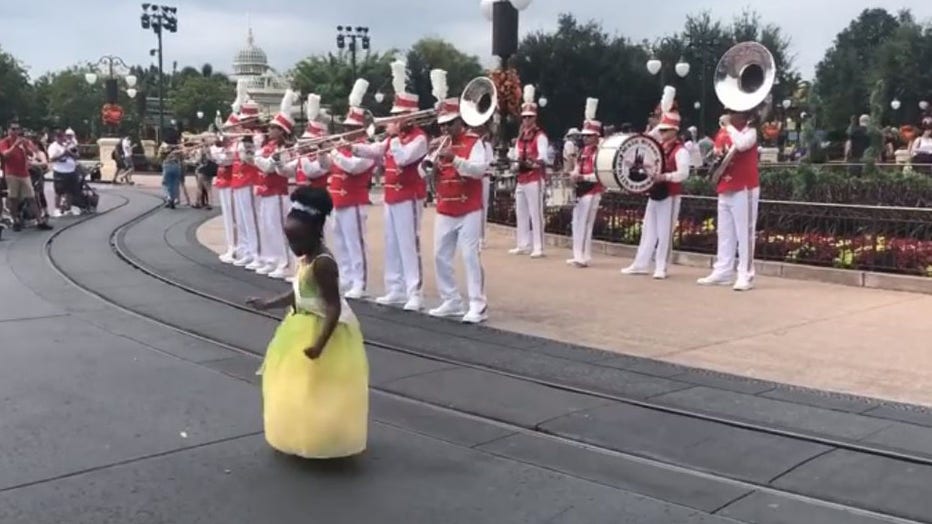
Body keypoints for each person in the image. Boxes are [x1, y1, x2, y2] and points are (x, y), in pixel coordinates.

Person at [247, 186, 369, 459]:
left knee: (321, 388)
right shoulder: (307, 258)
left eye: (297, 240)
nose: (294, 247)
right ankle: (298, 433)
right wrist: (269, 303)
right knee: (295, 386)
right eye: (290, 241)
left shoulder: (324, 264)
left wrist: (319, 345)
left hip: (323, 331)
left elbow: (333, 308)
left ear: (315, 230)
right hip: (299, 325)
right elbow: (300, 293)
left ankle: (323, 438)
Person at [351, 60, 429, 311]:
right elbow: (375, 151)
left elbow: (405, 158)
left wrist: (393, 138)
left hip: (409, 196)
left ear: (409, 117)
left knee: (408, 242)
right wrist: (353, 146)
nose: (392, 119)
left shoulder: (418, 138)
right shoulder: (393, 138)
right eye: (392, 116)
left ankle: (414, 291)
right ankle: (394, 288)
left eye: (396, 116)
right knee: (392, 241)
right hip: (391, 196)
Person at [422, 97, 489, 323]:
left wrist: (456, 159)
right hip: (445, 206)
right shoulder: (440, 143)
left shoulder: (474, 142)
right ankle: (451, 300)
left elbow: (479, 170)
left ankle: (478, 304)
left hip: (469, 206)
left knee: (469, 256)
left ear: (460, 121)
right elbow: (424, 173)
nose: (445, 128)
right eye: (442, 125)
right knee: (440, 255)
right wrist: (431, 160)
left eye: (449, 123)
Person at [622, 87, 691, 280]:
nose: (662, 132)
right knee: (648, 229)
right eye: (662, 129)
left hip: (670, 193)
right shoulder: (658, 147)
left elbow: (683, 173)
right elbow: (648, 146)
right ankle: (640, 263)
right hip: (656, 192)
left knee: (664, 232)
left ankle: (661, 266)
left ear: (674, 131)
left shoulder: (681, 150)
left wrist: (666, 177)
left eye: (665, 130)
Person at [697, 107, 760, 291]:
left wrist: (729, 127)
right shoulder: (724, 130)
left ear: (743, 114)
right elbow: (717, 151)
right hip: (725, 186)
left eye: (733, 112)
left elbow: (741, 145)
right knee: (724, 233)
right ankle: (723, 271)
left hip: (744, 186)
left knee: (745, 233)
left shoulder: (750, 131)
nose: (729, 114)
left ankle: (745, 275)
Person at [327, 79, 376, 299]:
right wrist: (323, 153)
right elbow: (328, 167)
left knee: (356, 243)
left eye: (351, 128)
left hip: (355, 201)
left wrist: (335, 152)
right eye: (345, 127)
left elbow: (354, 168)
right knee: (340, 241)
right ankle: (346, 277)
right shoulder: (343, 146)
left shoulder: (366, 148)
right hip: (337, 200)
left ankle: (360, 282)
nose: (346, 131)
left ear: (360, 130)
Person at [252, 90, 299, 280]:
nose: (269, 130)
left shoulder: (285, 148)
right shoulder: (268, 146)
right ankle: (272, 259)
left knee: (279, 228)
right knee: (268, 227)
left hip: (278, 192)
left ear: (282, 131)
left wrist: (262, 159)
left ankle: (284, 262)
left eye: (273, 127)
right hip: (266, 192)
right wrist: (259, 155)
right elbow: (259, 162)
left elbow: (269, 167)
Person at [508, 84, 549, 258]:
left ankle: (539, 246)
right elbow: (516, 154)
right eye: (524, 117)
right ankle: (522, 243)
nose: (527, 120)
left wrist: (532, 162)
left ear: (535, 118)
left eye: (530, 117)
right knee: (521, 211)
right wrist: (516, 162)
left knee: (535, 212)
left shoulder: (540, 136)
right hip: (522, 177)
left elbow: (543, 157)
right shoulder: (520, 137)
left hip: (534, 178)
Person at [567, 98, 604, 268]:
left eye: (589, 136)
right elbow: (578, 167)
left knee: (584, 223)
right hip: (582, 189)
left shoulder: (599, 152)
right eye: (584, 136)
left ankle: (581, 255)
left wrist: (583, 177)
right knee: (579, 222)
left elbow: (599, 174)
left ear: (596, 136)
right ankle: (581, 254)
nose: (586, 139)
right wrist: (574, 173)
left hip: (592, 189)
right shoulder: (583, 151)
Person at [230, 96, 266, 268]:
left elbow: (251, 158)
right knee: (242, 219)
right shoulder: (241, 136)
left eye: (245, 121)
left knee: (252, 219)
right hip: (238, 180)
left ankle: (257, 254)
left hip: (250, 180)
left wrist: (246, 142)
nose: (242, 124)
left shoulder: (258, 136)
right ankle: (246, 250)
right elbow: (230, 156)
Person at [0, 123, 52, 231]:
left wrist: (27, 147)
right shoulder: (5, 142)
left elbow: (32, 153)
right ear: (8, 130)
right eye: (13, 129)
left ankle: (39, 221)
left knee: (31, 197)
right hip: (11, 173)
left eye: (17, 129)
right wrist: (15, 145)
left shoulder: (22, 142)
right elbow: (5, 155)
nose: (15, 131)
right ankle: (16, 220)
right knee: (13, 198)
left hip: (24, 173)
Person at [158, 129, 184, 209]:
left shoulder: (164, 145)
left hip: (167, 164)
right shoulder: (178, 146)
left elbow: (159, 156)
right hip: (176, 165)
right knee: (175, 183)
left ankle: (169, 197)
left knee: (166, 183)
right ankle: (173, 198)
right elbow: (182, 156)